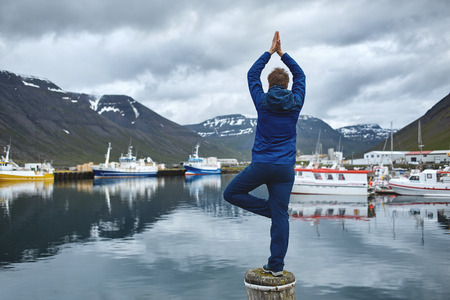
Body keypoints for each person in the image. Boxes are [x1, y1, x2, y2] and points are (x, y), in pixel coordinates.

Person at [223, 31, 306, 277]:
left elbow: (251, 74)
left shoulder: (262, 100)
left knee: (232, 193)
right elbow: (301, 75)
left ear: (269, 85)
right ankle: (277, 266)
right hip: (284, 169)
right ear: (288, 85)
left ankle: (271, 210)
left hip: (261, 164)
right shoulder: (297, 101)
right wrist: (283, 54)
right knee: (280, 216)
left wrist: (269, 52)